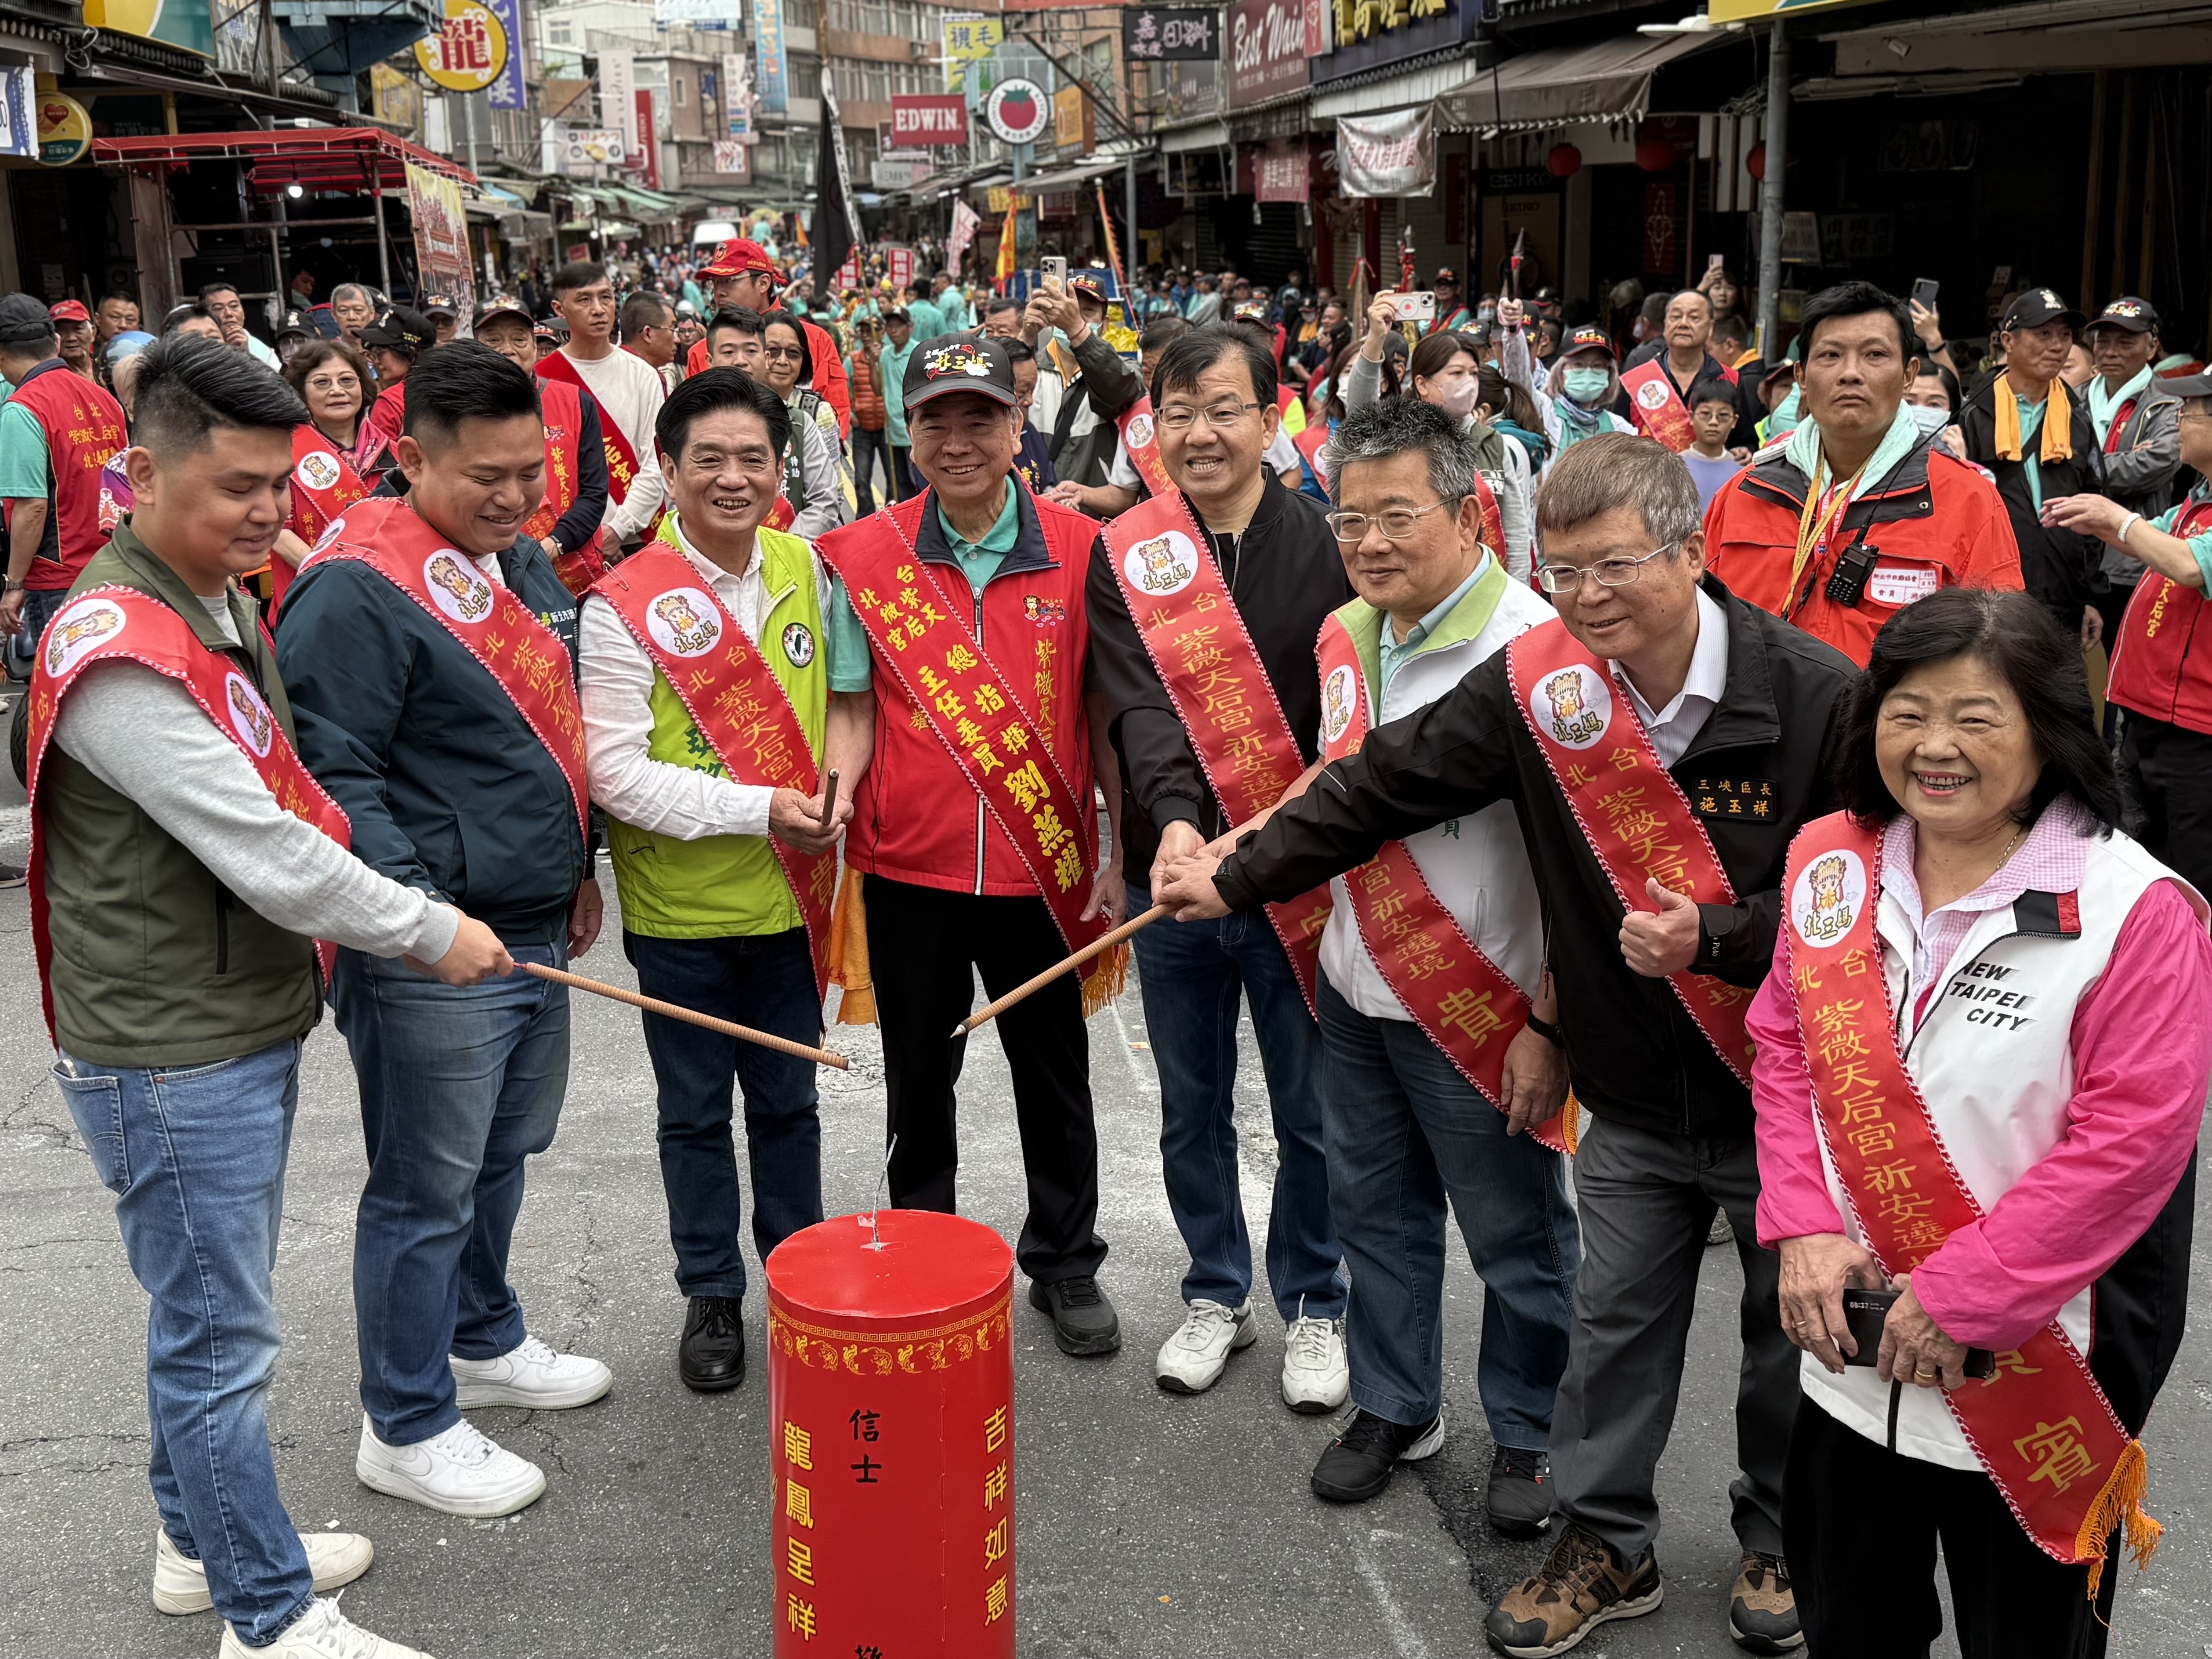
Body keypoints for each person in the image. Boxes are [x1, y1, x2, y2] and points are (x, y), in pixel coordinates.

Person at [1157, 432, 1860, 1656]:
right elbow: (1384, 781)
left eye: (1617, 570)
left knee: (1788, 1332)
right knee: (1613, 1330)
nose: (1587, 601)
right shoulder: (1546, 683)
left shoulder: (1813, 696)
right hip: (1634, 1090)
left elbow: (1864, 905)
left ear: (1692, 554)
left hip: (1781, 1091)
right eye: (1570, 571)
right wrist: (1241, 870)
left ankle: (1779, 1539)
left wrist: (1725, 933)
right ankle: (1606, 1545)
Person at [29, 334, 511, 1659]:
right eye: (236, 484)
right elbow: (269, 848)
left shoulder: (211, 591)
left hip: (226, 1019)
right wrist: (430, 930)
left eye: (278, 483)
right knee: (220, 1337)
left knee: (203, 1314)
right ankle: (267, 1614)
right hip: (167, 1053)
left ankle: (202, 1541)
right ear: (139, 472)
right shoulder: (119, 646)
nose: (266, 511)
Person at [1750, 587, 2212, 1656]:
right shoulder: (1835, 857)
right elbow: (1783, 1045)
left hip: (2037, 1369)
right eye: (1906, 713)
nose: (1934, 747)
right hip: (1847, 1364)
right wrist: (1803, 1220)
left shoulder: (2132, 909)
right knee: (1850, 1623)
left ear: (2048, 731)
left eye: (1976, 717)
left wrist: (1966, 1294)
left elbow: (2131, 1141)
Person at [277, 342, 608, 1521]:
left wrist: (579, 865)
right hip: (432, 937)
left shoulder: (510, 559)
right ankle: (405, 1421)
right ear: (408, 456)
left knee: (503, 1150)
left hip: (531, 918)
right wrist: (421, 915)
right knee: (424, 1184)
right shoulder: (355, 585)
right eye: (488, 477)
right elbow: (332, 774)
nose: (519, 500)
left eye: (533, 471)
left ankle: (482, 1335)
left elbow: (542, 727)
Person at [1264, 398, 1578, 1536]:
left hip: (1484, 1003)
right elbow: (1331, 783)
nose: (1372, 543)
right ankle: (1396, 1402)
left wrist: (1550, 1025)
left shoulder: (1539, 654)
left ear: (1467, 511)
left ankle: (1533, 1430)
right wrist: (1235, 846)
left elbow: (1578, 876)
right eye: (1351, 521)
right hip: (1355, 989)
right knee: (1375, 1216)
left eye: (1397, 515)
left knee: (1518, 1241)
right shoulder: (1349, 633)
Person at [814, 334, 1124, 1360]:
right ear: (908, 430)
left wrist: (1117, 844)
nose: (958, 441)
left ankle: (1067, 1260)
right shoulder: (867, 555)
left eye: (981, 417)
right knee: (918, 1071)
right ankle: (924, 1247)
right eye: (937, 419)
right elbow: (854, 707)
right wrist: (842, 787)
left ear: (1017, 426)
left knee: (1054, 1067)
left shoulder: (1082, 552)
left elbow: (1105, 714)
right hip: (910, 866)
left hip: (1043, 866)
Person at [580, 368, 871, 1391]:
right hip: (681, 914)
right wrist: (761, 807)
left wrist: (838, 786)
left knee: (789, 1105)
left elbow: (845, 697)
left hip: (791, 905)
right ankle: (711, 1290)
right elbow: (612, 772)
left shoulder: (808, 565)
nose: (735, 478)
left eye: (755, 458)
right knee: (695, 1110)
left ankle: (796, 1279)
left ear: (781, 467)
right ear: (667, 468)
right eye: (710, 459)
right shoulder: (622, 604)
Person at [1085, 324, 1352, 1408]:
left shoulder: (1331, 544)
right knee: (1190, 1102)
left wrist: (1253, 840)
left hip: (1298, 877)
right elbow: (1140, 704)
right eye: (1178, 411)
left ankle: (1318, 1302)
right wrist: (1178, 825)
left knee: (1309, 1108)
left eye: (1224, 408)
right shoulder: (1130, 552)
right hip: (1178, 876)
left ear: (1269, 415)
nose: (1200, 432)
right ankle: (1214, 1289)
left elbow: (1344, 719)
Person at [1705, 282, 2023, 666]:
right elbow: (1700, 630)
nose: (1850, 373)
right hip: (1757, 724)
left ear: (1908, 375)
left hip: (1887, 726)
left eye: (1874, 354)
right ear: (1802, 378)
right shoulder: (1745, 492)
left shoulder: (1968, 501)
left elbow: (1997, 650)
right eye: (1830, 355)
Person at [2045, 372, 2212, 895]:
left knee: (2190, 871)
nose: (2178, 423)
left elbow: (2188, 566)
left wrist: (2116, 520)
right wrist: (2097, 519)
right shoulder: (2197, 499)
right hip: (2152, 717)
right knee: (2142, 860)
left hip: (2197, 730)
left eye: (2190, 413)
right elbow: (2155, 538)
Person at [1343, 304, 1532, 580]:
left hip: (1483, 584)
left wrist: (1519, 591)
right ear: (1422, 384)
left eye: (1474, 374)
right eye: (1457, 374)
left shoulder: (1494, 443)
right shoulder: (1398, 438)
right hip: (1417, 581)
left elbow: (1515, 527)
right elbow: (1361, 412)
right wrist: (1375, 341)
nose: (1469, 383)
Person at [1959, 289, 2105, 643]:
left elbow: (2094, 500)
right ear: (2008, 341)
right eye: (2043, 334)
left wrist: (2088, 598)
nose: (2057, 346)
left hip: (2062, 595)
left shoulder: (2076, 416)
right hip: (1991, 596)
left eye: (2065, 336)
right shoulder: (1976, 413)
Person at [0, 293, 129, 648]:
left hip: (59, 578)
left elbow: (32, 506)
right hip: (114, 565)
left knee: (63, 689)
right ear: (54, 342)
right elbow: (123, 490)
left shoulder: (22, 408)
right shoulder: (104, 399)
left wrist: (14, 584)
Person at [474, 297, 611, 597]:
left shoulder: (575, 402)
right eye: (493, 340)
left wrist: (553, 544)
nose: (507, 349)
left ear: (535, 348)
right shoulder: (459, 413)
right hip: (488, 572)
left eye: (519, 339)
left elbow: (595, 492)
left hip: (570, 567)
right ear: (474, 348)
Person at [542, 260, 669, 550]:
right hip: (564, 544)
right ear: (559, 310)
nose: (599, 309)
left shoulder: (643, 375)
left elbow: (655, 465)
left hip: (635, 539)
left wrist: (617, 530)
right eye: (584, 300)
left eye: (606, 297)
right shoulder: (543, 377)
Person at [2081, 297, 2183, 645]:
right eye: (2103, 342)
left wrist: (2079, 469)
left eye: (2125, 342)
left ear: (2152, 345)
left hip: (2127, 559)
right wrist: (2121, 458)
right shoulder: (2072, 397)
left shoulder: (2167, 402)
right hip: (2069, 555)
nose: (2110, 352)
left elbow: (2155, 465)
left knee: (2125, 661)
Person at [266, 340, 382, 607]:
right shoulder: (283, 454)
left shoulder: (395, 454)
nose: (337, 391)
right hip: (313, 597)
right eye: (322, 383)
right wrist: (334, 577)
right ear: (301, 393)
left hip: (389, 599)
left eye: (347, 380)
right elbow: (276, 529)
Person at [1027, 279, 1144, 496]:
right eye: (1069, 309)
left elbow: (1122, 393)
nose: (1076, 317)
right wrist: (1025, 339)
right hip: (1034, 513)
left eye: (1087, 312)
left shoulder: (1123, 370)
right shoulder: (1031, 370)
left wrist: (1076, 331)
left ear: (1106, 323)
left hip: (1093, 515)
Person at [1499, 307, 1636, 475]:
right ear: (1561, 371)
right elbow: (1518, 380)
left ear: (1610, 374)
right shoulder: (1544, 412)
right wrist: (1513, 333)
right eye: (1579, 365)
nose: (1588, 372)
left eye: (1598, 366)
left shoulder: (1621, 429)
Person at [759, 309, 853, 537]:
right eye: (772, 351)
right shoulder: (736, 405)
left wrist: (789, 546)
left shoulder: (816, 412)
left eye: (793, 353)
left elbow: (832, 493)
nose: (783, 361)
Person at [1621, 289, 1747, 454]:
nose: (1683, 324)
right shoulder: (1636, 381)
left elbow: (1746, 442)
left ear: (1710, 328)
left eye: (1694, 318)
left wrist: (1743, 452)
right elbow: (1617, 441)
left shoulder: (1730, 379)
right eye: (1676, 317)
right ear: (1666, 325)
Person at [357, 307, 432, 445]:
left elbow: (380, 461)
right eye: (372, 353)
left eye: (380, 352)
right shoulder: (453, 382)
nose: (376, 361)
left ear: (409, 352)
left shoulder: (389, 404)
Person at [847, 312, 892, 513]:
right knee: (862, 480)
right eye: (863, 331)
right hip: (862, 429)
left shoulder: (889, 357)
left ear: (882, 333)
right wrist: (852, 417)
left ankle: (894, 517)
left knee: (894, 479)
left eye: (870, 331)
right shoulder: (852, 360)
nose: (865, 335)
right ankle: (865, 519)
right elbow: (842, 390)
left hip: (887, 429)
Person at [1683, 386, 1742, 511]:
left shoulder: (1742, 468)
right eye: (1705, 414)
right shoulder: (1677, 465)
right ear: (1692, 418)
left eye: (1723, 415)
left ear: (1734, 421)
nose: (1714, 422)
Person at [201, 283, 282, 368]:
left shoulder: (265, 353)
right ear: (204, 316)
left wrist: (246, 356)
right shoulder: (198, 349)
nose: (229, 313)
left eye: (234, 306)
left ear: (243, 313)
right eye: (218, 309)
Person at [621, 290, 679, 391]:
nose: (678, 340)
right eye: (672, 328)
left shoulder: (645, 373)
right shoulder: (633, 376)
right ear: (648, 334)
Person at [51, 299, 97, 382]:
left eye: (78, 329)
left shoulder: (104, 367)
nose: (71, 338)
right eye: (61, 331)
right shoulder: (52, 378)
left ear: (93, 334)